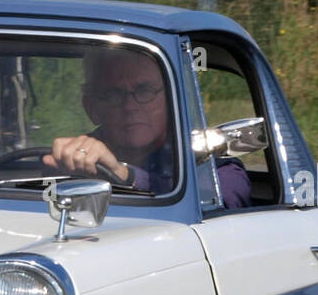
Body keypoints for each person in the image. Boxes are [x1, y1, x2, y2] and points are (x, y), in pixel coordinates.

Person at [44, 47, 251, 209]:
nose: (130, 106)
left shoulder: (205, 164)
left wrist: (125, 176)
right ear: (92, 108)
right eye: (114, 94)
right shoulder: (76, 160)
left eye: (145, 90)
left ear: (171, 100)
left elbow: (226, 194)